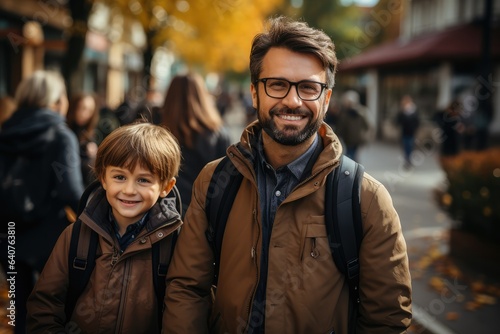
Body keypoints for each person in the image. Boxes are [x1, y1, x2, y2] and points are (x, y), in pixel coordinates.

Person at [164, 16, 412, 333]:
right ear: (255, 93)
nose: (292, 101)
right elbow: (187, 288)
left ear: (326, 98)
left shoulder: (366, 198)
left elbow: (387, 319)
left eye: (308, 87)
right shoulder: (214, 181)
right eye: (277, 84)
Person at [26, 122, 182, 333]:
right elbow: (43, 306)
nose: (128, 190)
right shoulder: (76, 237)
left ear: (166, 187)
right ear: (103, 178)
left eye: (143, 180)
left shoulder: (175, 243)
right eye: (119, 177)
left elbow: (186, 309)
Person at [0, 70, 85, 334]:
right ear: (58, 100)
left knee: (18, 309)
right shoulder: (61, 135)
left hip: (8, 235)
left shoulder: (5, 130)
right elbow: (71, 191)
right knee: (51, 312)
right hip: (49, 238)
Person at [160, 72, 232, 217]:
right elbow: (226, 181)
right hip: (202, 212)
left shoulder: (157, 133)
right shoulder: (218, 134)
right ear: (202, 96)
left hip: (163, 210)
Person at [66, 93, 99, 187]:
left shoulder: (90, 133)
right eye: (82, 108)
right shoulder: (64, 130)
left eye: (90, 110)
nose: (85, 114)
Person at [335, 90, 371, 161]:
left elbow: (368, 126)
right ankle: (353, 167)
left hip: (355, 139)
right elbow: (341, 127)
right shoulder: (345, 113)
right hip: (349, 139)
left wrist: (366, 136)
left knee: (350, 154)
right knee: (351, 154)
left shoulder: (361, 112)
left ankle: (352, 168)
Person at [396, 94, 420, 168]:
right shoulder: (402, 112)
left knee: (410, 147)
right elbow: (398, 121)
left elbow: (417, 122)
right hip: (404, 133)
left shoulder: (414, 111)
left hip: (411, 133)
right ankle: (407, 160)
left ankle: (408, 160)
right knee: (405, 148)